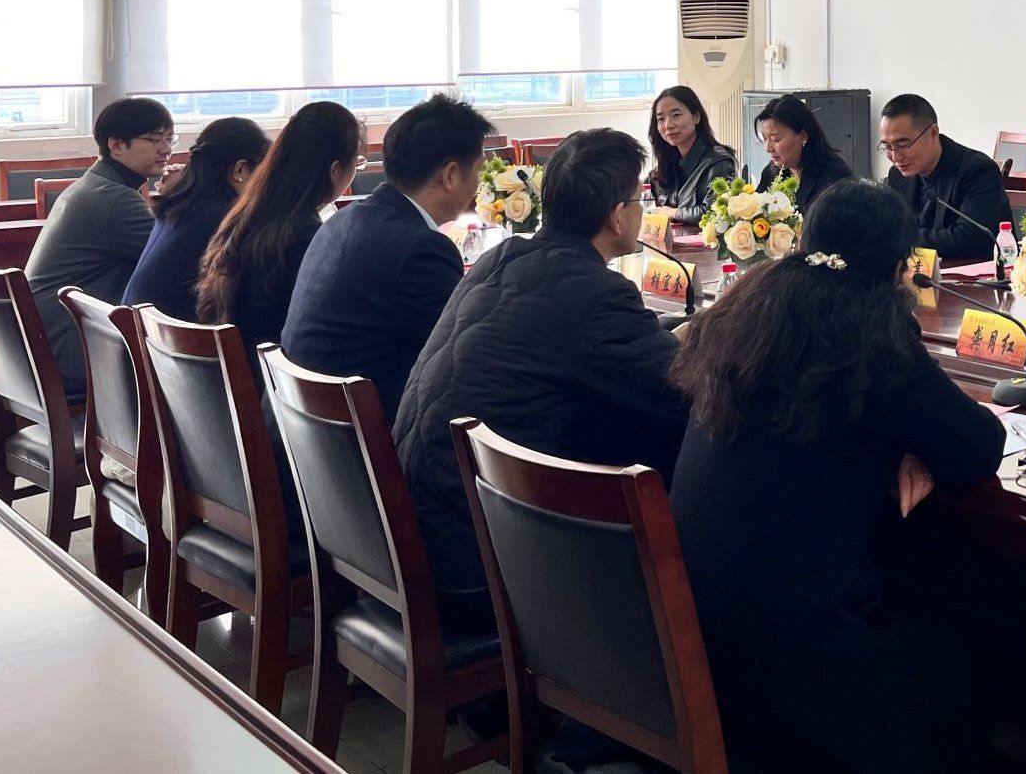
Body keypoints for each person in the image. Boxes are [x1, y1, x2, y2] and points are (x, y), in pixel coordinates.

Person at [670, 180, 1004, 773]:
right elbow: (977, 447)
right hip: (801, 669)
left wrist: (901, 442)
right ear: (899, 268)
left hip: (696, 643)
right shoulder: (869, 332)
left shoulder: (746, 311)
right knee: (972, 630)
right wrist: (913, 443)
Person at [394, 128, 687, 630]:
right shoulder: (594, 293)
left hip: (420, 535)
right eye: (639, 201)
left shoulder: (501, 258)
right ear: (618, 215)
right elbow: (686, 389)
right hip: (476, 566)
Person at [281, 94, 488, 418]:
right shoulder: (421, 251)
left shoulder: (342, 221)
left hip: (306, 428)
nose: (478, 184)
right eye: (478, 171)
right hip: (364, 437)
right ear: (450, 175)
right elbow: (465, 359)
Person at [25, 96, 175, 399]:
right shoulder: (114, 198)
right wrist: (183, 196)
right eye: (153, 139)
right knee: (188, 371)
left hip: (41, 346)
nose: (165, 149)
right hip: (70, 351)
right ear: (115, 145)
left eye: (169, 138)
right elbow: (180, 257)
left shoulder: (94, 185)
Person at [199, 102, 364, 350]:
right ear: (335, 170)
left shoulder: (248, 215)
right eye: (356, 164)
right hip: (272, 367)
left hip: (245, 359)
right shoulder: (303, 236)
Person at [122, 117, 269, 322]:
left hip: (144, 334)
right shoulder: (224, 218)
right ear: (240, 170)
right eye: (263, 173)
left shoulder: (178, 205)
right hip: (175, 338)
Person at [878, 94, 1011, 263]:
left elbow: (971, 239)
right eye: (887, 147)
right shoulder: (898, 176)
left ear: (933, 133)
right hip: (917, 273)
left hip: (972, 275)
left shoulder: (977, 170)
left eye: (903, 145)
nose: (895, 156)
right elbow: (887, 229)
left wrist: (904, 238)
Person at [754, 93, 854, 219]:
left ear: (803, 136)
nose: (768, 148)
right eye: (764, 139)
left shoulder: (834, 176)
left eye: (776, 139)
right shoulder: (771, 173)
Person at [648, 86, 737, 224]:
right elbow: (642, 194)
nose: (668, 125)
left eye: (676, 115)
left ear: (696, 117)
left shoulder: (719, 162)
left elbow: (715, 213)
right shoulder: (667, 162)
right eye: (661, 119)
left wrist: (673, 213)